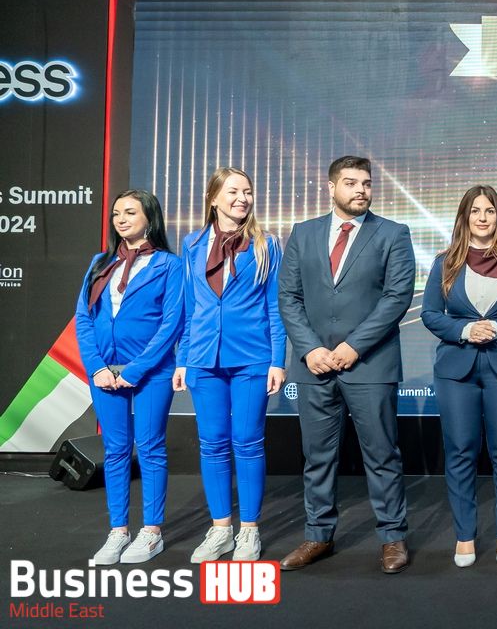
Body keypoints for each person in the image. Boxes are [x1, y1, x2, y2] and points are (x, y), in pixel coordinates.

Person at [277, 156, 415, 574]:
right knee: (317, 457)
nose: (361, 190)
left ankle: (392, 537)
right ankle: (318, 536)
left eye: (367, 184)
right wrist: (309, 349)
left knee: (382, 455)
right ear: (331, 187)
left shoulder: (392, 233)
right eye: (352, 183)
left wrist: (354, 346)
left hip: (369, 364)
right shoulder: (303, 233)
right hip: (315, 366)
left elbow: (397, 297)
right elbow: (289, 297)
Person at [422, 185, 497, 568]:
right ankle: (464, 537)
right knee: (460, 451)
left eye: (489, 210)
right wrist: (464, 330)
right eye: (475, 210)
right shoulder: (445, 262)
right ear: (464, 217)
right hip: (455, 370)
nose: (482, 217)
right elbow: (430, 314)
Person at [173, 167, 286, 563]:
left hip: (252, 357)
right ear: (214, 199)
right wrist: (183, 358)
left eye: (248, 192)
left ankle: (249, 531)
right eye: (234, 191)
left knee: (248, 441)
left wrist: (278, 360)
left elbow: (275, 307)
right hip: (204, 358)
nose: (243, 198)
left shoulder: (266, 245)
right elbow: (190, 306)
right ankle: (221, 530)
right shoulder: (191, 243)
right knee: (212, 443)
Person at [74, 189, 184, 565]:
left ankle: (151, 533)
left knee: (150, 447)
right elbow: (84, 318)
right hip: (104, 372)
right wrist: (97, 367)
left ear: (149, 218)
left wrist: (136, 369)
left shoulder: (169, 265)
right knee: (116, 450)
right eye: (117, 213)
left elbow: (172, 323)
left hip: (152, 371)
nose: (121, 219)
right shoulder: (100, 262)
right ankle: (118, 531)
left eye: (130, 212)